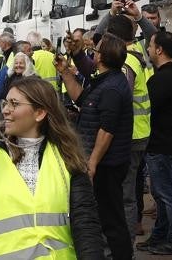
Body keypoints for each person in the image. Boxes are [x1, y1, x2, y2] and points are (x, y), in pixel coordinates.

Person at [0, 78, 104, 260]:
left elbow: (85, 223)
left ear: (40, 113)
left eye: (14, 104)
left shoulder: (66, 155)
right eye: (5, 103)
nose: (5, 110)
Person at [59, 32, 134, 260]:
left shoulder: (111, 88)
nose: (93, 52)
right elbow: (83, 100)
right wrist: (65, 72)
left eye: (96, 49)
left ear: (101, 57)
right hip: (103, 163)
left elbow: (107, 130)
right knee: (106, 215)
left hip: (107, 165)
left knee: (111, 219)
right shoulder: (105, 81)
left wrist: (92, 163)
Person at [139, 31, 172, 255]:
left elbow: (148, 109)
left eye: (150, 46)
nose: (148, 49)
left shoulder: (162, 79)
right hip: (170, 142)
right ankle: (160, 235)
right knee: (161, 195)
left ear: (159, 50)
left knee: (168, 194)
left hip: (163, 144)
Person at [106, 14, 151, 243]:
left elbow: (120, 98)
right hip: (138, 132)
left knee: (125, 193)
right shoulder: (136, 54)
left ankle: (126, 243)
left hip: (131, 136)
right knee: (129, 188)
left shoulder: (126, 61)